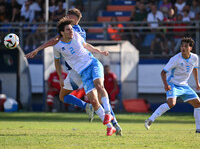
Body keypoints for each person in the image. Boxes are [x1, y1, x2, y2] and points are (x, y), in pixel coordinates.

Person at [25, 8, 122, 136]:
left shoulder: (73, 31)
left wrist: (38, 49)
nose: (66, 18)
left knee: (96, 94)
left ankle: (107, 119)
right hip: (76, 70)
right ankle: (110, 121)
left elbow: (55, 40)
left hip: (79, 70)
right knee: (66, 96)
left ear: (75, 20)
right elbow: (59, 46)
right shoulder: (80, 31)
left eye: (68, 16)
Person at [54, 17, 117, 136]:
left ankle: (108, 113)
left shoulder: (77, 35)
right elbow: (56, 61)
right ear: (62, 32)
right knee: (93, 100)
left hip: (92, 63)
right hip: (82, 73)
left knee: (99, 86)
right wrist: (61, 78)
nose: (71, 31)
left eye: (71, 29)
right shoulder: (57, 46)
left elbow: (87, 45)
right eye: (68, 29)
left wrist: (100, 52)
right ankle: (110, 127)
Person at [145, 37, 200, 133]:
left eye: (186, 46)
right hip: (173, 84)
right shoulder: (175, 59)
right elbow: (163, 72)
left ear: (190, 48)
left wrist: (197, 82)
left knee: (198, 103)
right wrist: (166, 85)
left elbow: (195, 68)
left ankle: (198, 129)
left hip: (184, 85)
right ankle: (150, 120)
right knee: (171, 103)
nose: (183, 48)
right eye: (182, 46)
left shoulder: (195, 57)